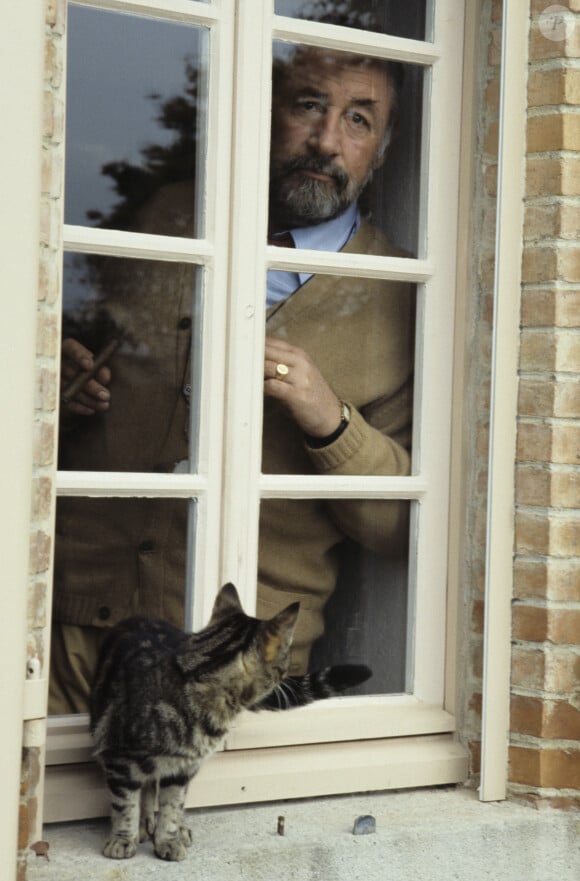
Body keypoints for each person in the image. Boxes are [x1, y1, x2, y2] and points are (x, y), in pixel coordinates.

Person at [50, 42, 413, 714]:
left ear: (382, 152)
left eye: (359, 120)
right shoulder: (165, 219)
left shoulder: (403, 293)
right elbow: (79, 367)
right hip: (68, 634)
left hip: (233, 673)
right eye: (309, 105)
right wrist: (64, 396)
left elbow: (401, 526)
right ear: (266, 112)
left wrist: (330, 421)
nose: (327, 139)